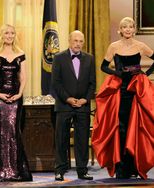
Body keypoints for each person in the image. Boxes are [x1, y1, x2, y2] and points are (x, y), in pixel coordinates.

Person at [92, 17, 154, 179]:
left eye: (130, 27)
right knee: (120, 127)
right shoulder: (114, 46)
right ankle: (121, 166)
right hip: (119, 91)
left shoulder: (140, 46)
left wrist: (145, 75)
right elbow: (103, 66)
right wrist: (117, 73)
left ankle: (134, 166)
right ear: (120, 29)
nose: (128, 29)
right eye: (124, 27)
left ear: (134, 29)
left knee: (136, 127)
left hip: (136, 91)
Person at [0, 24, 32, 182]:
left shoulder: (21, 54)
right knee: (1, 131)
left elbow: (23, 77)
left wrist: (19, 94)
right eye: (7, 33)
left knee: (13, 130)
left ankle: (15, 170)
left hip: (16, 98)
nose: (10, 36)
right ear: (2, 35)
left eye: (12, 33)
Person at [51, 30, 96, 181]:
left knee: (82, 139)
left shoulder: (89, 58)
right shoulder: (59, 58)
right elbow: (55, 83)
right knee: (61, 138)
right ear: (69, 41)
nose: (78, 44)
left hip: (83, 105)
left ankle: (82, 170)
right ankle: (60, 169)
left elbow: (92, 83)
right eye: (75, 41)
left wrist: (85, 99)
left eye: (81, 41)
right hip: (64, 105)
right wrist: (68, 98)